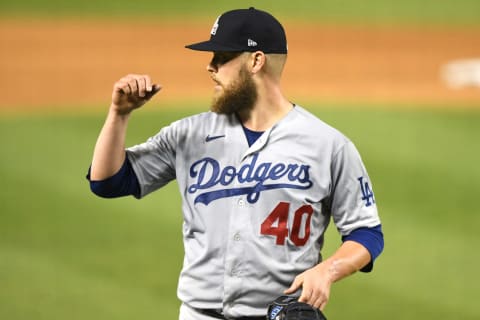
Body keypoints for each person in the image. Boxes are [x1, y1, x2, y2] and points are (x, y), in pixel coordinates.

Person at [87, 7, 384, 320]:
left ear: (256, 61)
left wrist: (327, 271)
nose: (210, 67)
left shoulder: (327, 145)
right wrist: (119, 115)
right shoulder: (189, 134)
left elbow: (366, 233)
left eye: (222, 57)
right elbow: (107, 183)